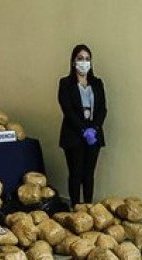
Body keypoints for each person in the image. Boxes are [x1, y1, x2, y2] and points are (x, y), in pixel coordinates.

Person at [58, 44, 107, 205]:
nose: (84, 62)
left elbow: (102, 109)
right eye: (80, 58)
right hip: (74, 135)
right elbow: (67, 109)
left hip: (94, 135)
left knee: (88, 174)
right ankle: (75, 208)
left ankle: (88, 207)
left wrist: (94, 128)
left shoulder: (97, 83)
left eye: (87, 59)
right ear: (73, 62)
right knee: (76, 173)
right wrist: (83, 129)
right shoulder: (65, 83)